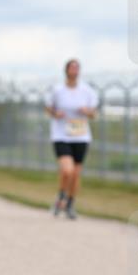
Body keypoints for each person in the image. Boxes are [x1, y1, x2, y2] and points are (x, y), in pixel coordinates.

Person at [44, 58, 98, 220]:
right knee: (67, 170)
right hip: (61, 135)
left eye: (77, 68)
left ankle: (69, 203)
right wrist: (55, 114)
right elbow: (48, 108)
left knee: (75, 173)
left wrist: (86, 111)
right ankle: (61, 196)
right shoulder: (57, 90)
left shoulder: (87, 91)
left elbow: (94, 114)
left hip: (81, 136)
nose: (74, 71)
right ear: (66, 70)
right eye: (71, 68)